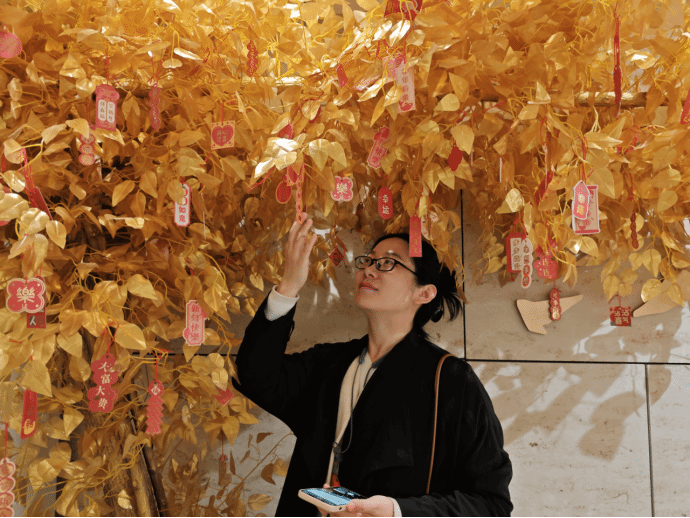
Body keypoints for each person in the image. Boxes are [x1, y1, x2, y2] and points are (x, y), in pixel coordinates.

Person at [231, 212, 513, 517]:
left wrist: (396, 511)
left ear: (424, 293)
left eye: (388, 263)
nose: (369, 270)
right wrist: (288, 286)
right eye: (368, 260)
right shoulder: (330, 363)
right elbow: (256, 375)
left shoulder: (450, 380)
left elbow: (491, 503)